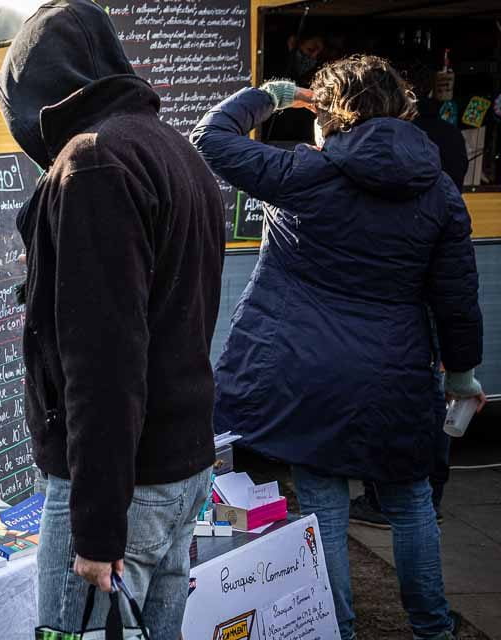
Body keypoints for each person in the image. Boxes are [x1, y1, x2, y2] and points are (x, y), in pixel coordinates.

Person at [191, 55, 485, 640]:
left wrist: (272, 96)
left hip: (306, 375)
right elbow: (456, 296)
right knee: (411, 503)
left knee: (324, 510)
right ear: (403, 109)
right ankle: (432, 629)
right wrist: (461, 377)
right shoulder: (440, 193)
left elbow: (210, 138)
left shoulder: (304, 173)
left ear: (329, 115)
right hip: (396, 374)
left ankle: (338, 629)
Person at [0, 1, 223, 635]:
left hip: (122, 483)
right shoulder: (173, 148)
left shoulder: (94, 161)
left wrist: (95, 525)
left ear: (37, 96)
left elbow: (103, 361)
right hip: (178, 464)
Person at [351, 60, 471, 529]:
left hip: (394, 290)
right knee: (433, 402)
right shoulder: (447, 139)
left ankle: (384, 499)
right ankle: (425, 493)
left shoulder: (373, 148)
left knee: (383, 404)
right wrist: (467, 366)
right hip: (433, 281)